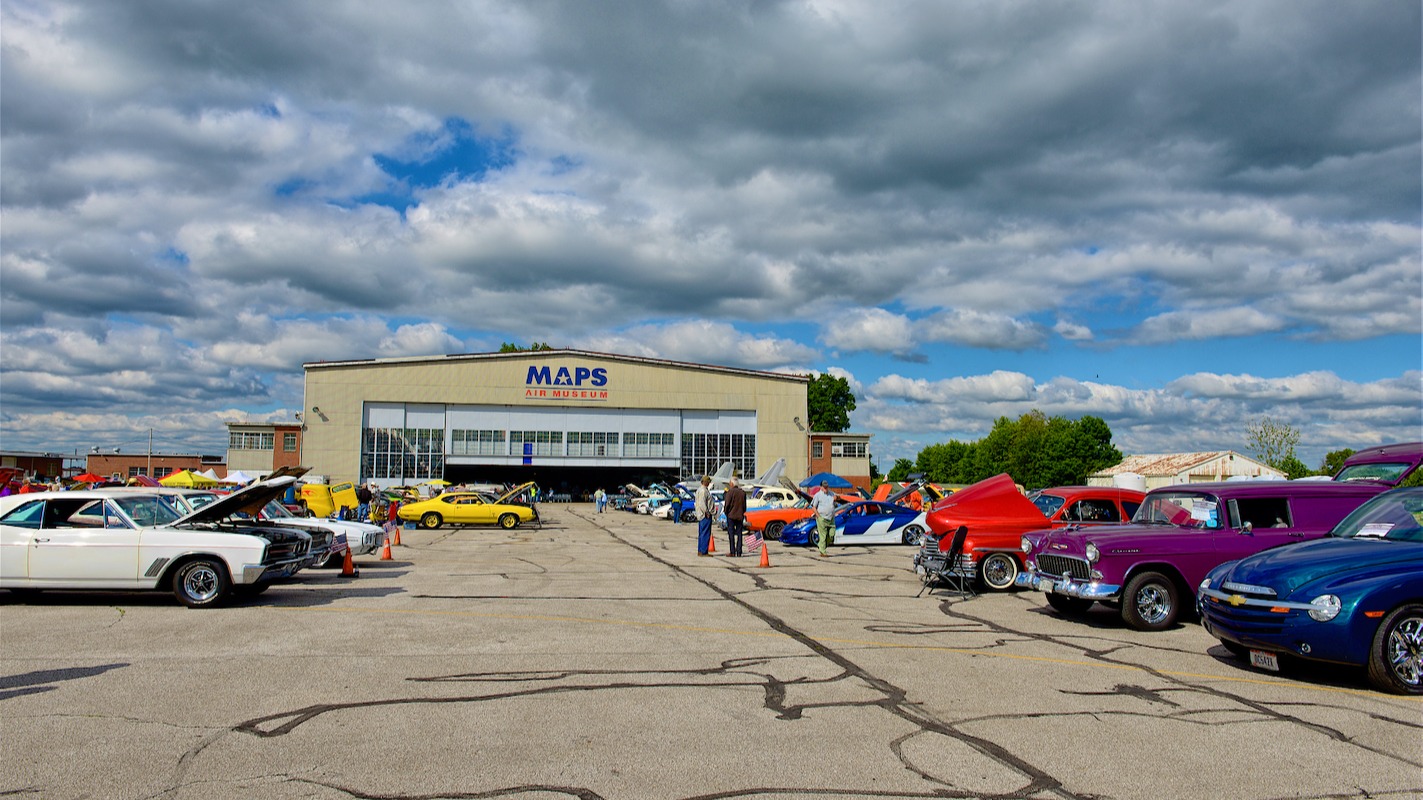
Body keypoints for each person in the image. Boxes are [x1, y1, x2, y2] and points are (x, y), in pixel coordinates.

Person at [812, 479, 837, 558]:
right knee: (823, 535)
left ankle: (821, 546)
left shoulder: (832, 494)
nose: (826, 488)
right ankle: (823, 552)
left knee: (831, 534)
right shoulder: (817, 495)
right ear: (821, 487)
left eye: (827, 487)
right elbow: (813, 507)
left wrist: (836, 499)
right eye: (824, 487)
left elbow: (836, 502)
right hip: (822, 518)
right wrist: (818, 516)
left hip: (831, 518)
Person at [723, 477, 747, 557]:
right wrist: (742, 512)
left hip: (731, 516)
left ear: (732, 484)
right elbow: (744, 506)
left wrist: (726, 512)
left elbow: (727, 504)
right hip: (740, 515)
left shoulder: (730, 492)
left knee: (731, 534)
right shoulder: (742, 493)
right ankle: (739, 551)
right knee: (739, 534)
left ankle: (732, 551)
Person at [695, 475, 715, 555]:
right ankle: (703, 551)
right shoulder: (703, 491)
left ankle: (700, 550)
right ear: (706, 482)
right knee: (705, 533)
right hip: (705, 515)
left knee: (702, 533)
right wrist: (707, 512)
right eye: (708, 482)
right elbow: (702, 503)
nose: (709, 483)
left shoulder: (700, 490)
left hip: (701, 514)